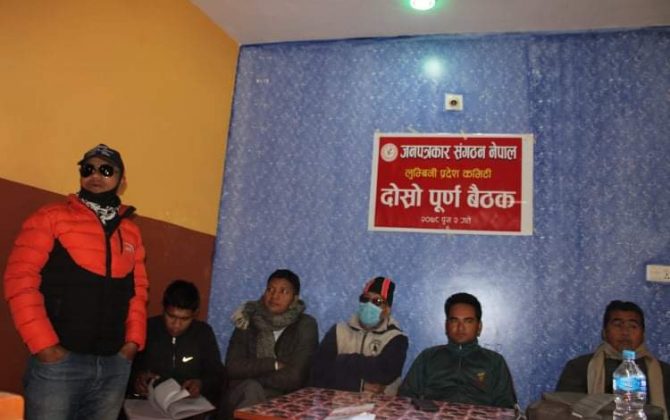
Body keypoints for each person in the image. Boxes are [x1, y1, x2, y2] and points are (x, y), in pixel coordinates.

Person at [3, 144, 149, 420]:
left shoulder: (131, 232)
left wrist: (131, 344)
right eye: (88, 169)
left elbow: (138, 292)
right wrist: (45, 347)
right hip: (59, 365)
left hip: (113, 366)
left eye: (106, 170)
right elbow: (19, 279)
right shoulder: (51, 217)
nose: (96, 175)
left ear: (122, 181)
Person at [223, 269, 318, 418]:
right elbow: (232, 367)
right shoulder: (247, 319)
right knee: (251, 389)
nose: (274, 296)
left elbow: (295, 377)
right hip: (244, 395)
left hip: (286, 399)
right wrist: (272, 365)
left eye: (283, 291)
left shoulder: (306, 325)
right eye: (270, 290)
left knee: (253, 387)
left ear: (294, 299)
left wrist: (252, 376)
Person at [399, 292, 517, 408]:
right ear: (446, 326)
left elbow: (506, 407)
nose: (460, 328)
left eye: (468, 321)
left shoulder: (495, 362)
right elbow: (405, 398)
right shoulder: (428, 357)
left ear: (479, 327)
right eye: (454, 321)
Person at [556, 300, 670, 416]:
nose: (625, 332)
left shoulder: (664, 372)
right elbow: (564, 413)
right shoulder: (579, 368)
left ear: (643, 334)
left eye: (633, 326)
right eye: (617, 325)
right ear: (604, 332)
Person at [131, 279, 224, 407]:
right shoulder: (147, 329)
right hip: (148, 404)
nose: (176, 325)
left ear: (195, 314)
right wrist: (138, 379)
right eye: (171, 316)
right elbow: (125, 368)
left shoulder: (203, 333)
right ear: (164, 310)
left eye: (184, 319)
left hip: (188, 406)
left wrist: (201, 384)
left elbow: (217, 374)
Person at [310, 276, 408, 394]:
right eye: (365, 299)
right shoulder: (339, 331)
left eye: (377, 301)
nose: (369, 305)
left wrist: (340, 360)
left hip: (379, 404)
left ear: (387, 310)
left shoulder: (396, 338)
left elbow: (384, 373)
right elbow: (317, 374)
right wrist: (360, 385)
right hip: (338, 402)